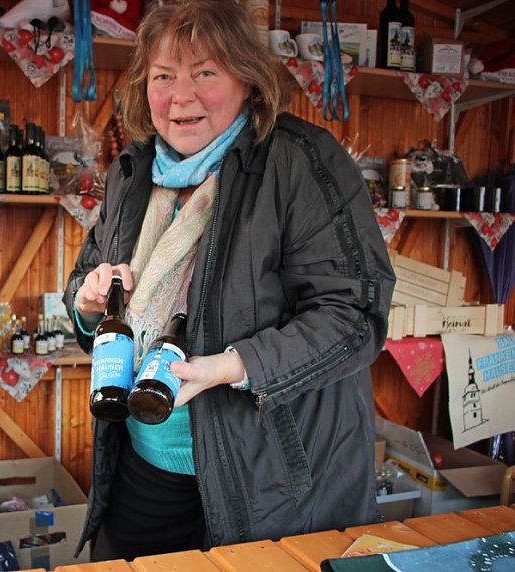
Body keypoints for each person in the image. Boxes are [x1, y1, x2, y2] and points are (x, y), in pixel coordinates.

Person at [63, 0, 396, 561]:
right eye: (163, 76)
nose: (180, 96)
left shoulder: (301, 164)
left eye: (205, 73)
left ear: (247, 78)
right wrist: (90, 304)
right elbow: (85, 285)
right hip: (145, 460)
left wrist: (235, 365)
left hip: (272, 481)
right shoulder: (133, 173)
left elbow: (354, 318)